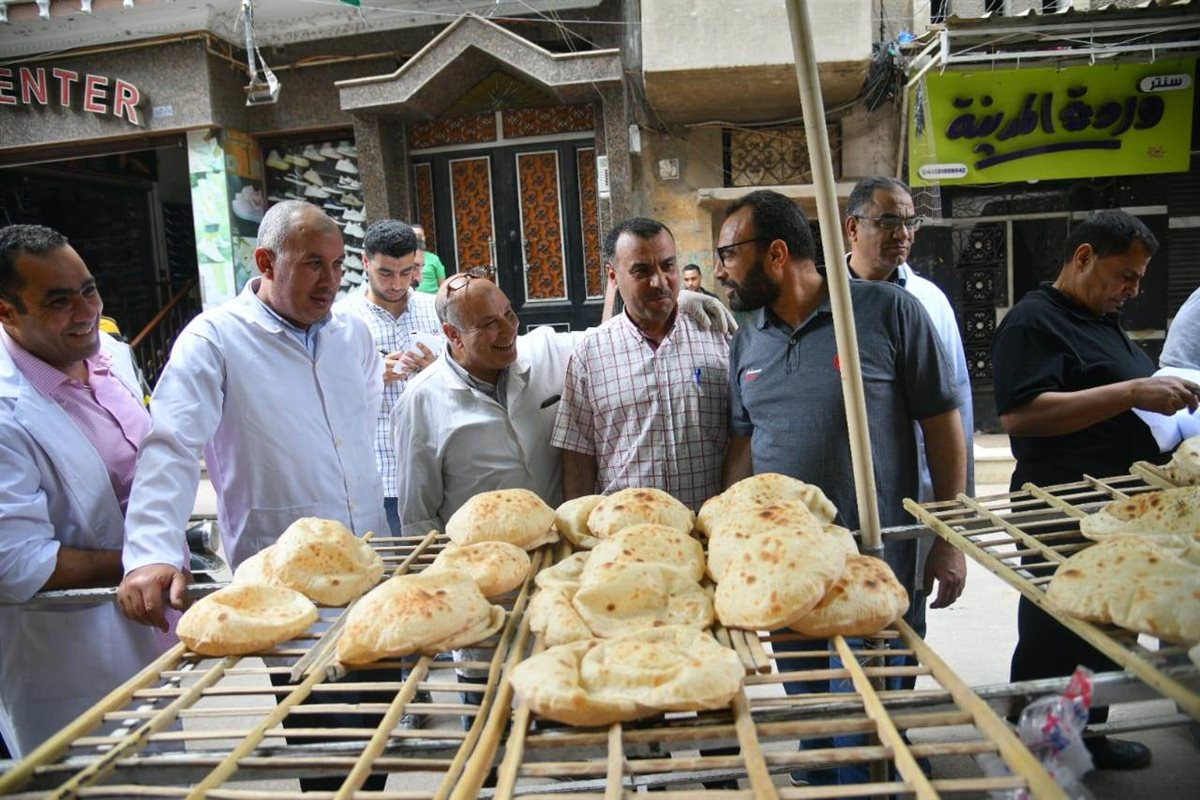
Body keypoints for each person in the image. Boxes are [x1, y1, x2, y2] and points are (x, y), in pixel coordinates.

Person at [117, 200, 388, 791]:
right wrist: (152, 551)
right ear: (266, 262)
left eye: (338, 264)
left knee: (381, 725)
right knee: (327, 743)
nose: (330, 280)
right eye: (312, 264)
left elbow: (361, 423)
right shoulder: (215, 339)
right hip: (281, 581)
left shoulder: (352, 333)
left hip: (368, 558)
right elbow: (171, 445)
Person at [715, 190, 966, 784]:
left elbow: (943, 428)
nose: (721, 270)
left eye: (728, 253)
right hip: (786, 578)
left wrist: (949, 538)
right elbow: (744, 445)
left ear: (776, 253)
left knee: (865, 738)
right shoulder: (747, 339)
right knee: (817, 727)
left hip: (872, 574)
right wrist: (729, 538)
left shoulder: (886, 312)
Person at [992, 209, 1200, 771]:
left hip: (1115, 506)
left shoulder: (1101, 319)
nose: (1133, 290)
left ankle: (1087, 735)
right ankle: (1038, 750)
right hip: (1059, 507)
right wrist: (1131, 392)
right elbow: (1021, 415)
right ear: (1084, 257)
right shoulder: (1033, 322)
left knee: (1104, 628)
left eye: (1139, 279)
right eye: (1125, 276)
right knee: (1058, 631)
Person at [0, 224, 162, 758]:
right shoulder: (6, 409)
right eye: (59, 300)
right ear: (6, 311)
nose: (86, 311)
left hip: (151, 638)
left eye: (89, 290)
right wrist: (142, 560)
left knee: (168, 773)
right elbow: (16, 563)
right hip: (68, 657)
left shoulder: (110, 355)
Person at [553, 218, 731, 511]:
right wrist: (576, 527)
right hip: (625, 530)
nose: (659, 281)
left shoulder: (718, 335)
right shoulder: (589, 354)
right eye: (642, 271)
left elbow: (744, 436)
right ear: (613, 276)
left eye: (668, 266)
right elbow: (578, 455)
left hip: (707, 526)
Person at [845, 176, 975, 501]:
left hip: (923, 488)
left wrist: (959, 508)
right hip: (848, 485)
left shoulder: (931, 301)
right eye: (889, 221)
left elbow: (958, 402)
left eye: (910, 222)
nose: (903, 234)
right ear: (853, 228)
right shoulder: (826, 300)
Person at [336, 220, 440, 537]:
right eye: (386, 273)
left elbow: (466, 374)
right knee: (391, 562)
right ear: (365, 262)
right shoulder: (341, 319)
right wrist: (371, 376)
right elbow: (327, 396)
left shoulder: (436, 310)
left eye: (406, 272)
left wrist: (437, 368)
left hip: (437, 464)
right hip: (381, 471)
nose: (397, 283)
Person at [413, 224, 447, 294]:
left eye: (420, 236)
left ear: (424, 237)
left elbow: (443, 285)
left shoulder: (434, 259)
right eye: (414, 236)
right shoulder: (405, 259)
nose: (417, 239)